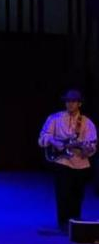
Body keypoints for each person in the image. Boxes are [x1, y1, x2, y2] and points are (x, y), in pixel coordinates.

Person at [38, 89, 97, 231]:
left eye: (73, 101)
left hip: (80, 163)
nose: (70, 104)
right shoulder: (55, 118)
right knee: (62, 194)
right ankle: (63, 224)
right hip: (62, 161)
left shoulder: (87, 123)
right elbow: (42, 138)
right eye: (68, 101)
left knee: (77, 196)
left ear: (79, 104)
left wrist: (87, 149)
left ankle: (75, 225)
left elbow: (92, 146)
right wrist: (54, 141)